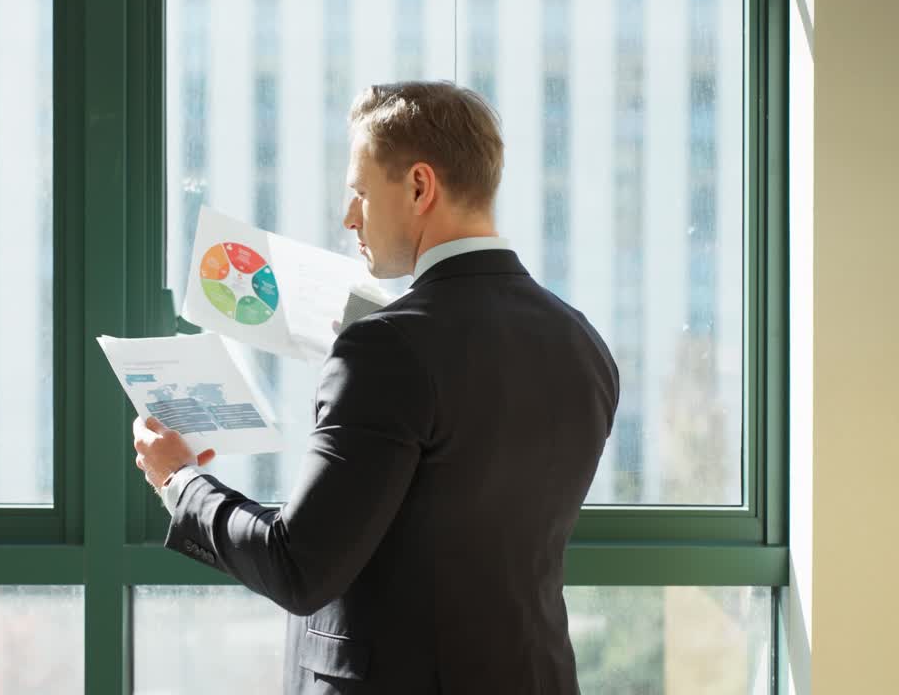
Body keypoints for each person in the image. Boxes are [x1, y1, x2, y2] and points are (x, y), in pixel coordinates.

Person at [132, 80, 619, 694]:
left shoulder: (387, 348)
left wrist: (178, 481)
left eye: (360, 191)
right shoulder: (582, 343)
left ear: (419, 186)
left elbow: (297, 566)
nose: (348, 216)